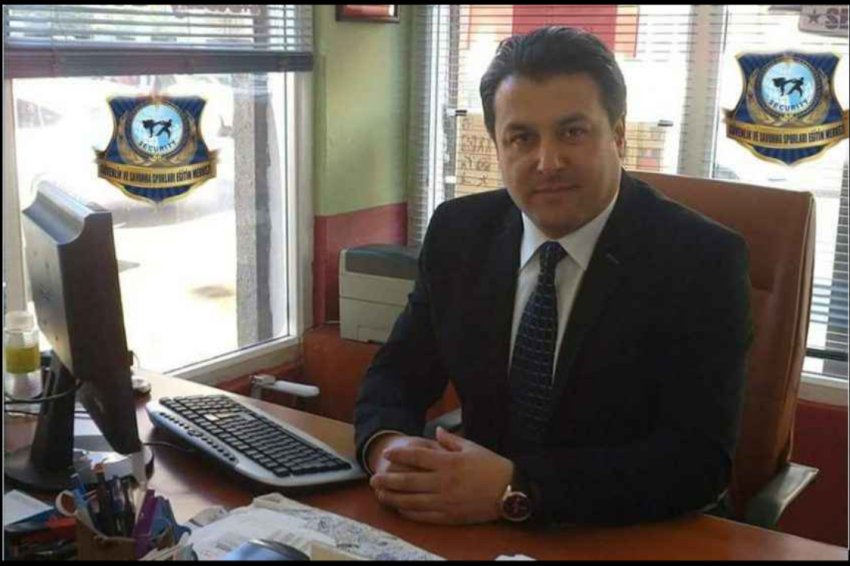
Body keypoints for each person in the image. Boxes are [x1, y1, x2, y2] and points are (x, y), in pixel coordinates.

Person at [354, 26, 753, 527]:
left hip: (629, 533)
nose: (548, 162)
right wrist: (389, 449)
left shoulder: (701, 259)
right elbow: (398, 373)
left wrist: (517, 486)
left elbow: (697, 461)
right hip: (472, 526)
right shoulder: (460, 233)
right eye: (521, 138)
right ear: (498, 147)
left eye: (572, 132)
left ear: (619, 135)